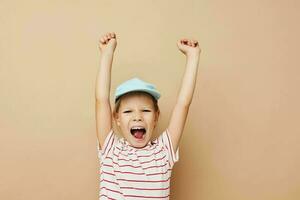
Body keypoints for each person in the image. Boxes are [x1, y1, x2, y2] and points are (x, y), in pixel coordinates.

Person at [95, 32, 201, 199]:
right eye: (128, 111)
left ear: (156, 117)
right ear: (116, 118)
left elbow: (183, 104)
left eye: (145, 110)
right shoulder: (111, 150)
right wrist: (107, 54)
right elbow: (101, 100)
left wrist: (193, 57)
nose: (137, 117)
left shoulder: (163, 151)